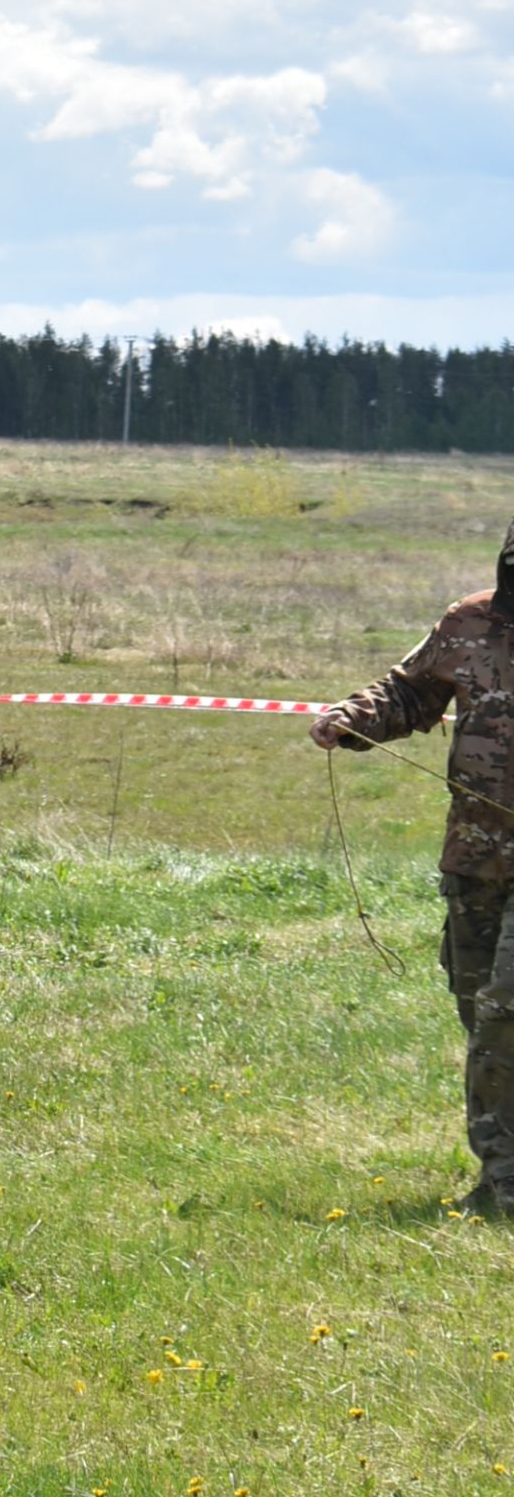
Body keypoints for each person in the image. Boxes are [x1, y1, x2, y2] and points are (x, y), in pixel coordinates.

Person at [312, 520, 514, 1216]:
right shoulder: (469, 623)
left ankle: (505, 1189)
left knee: (503, 1014)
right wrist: (352, 719)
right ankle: (501, 1174)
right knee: (476, 1006)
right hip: (476, 860)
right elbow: (409, 693)